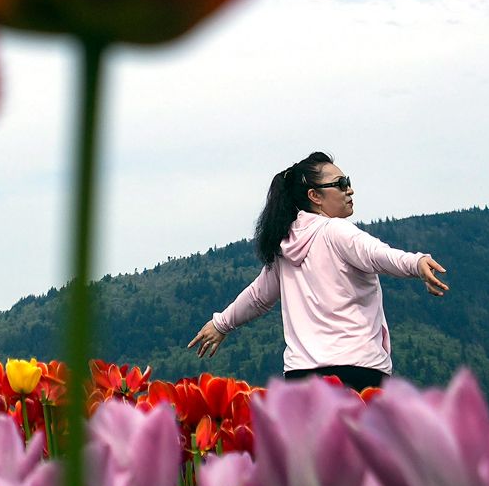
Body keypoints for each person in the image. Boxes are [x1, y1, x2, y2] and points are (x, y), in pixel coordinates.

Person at [185, 151, 445, 390]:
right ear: (315, 196)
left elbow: (258, 297)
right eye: (341, 184)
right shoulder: (335, 231)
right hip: (356, 372)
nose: (350, 190)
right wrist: (417, 263)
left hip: (301, 376)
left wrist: (221, 324)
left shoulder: (285, 244)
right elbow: (379, 256)